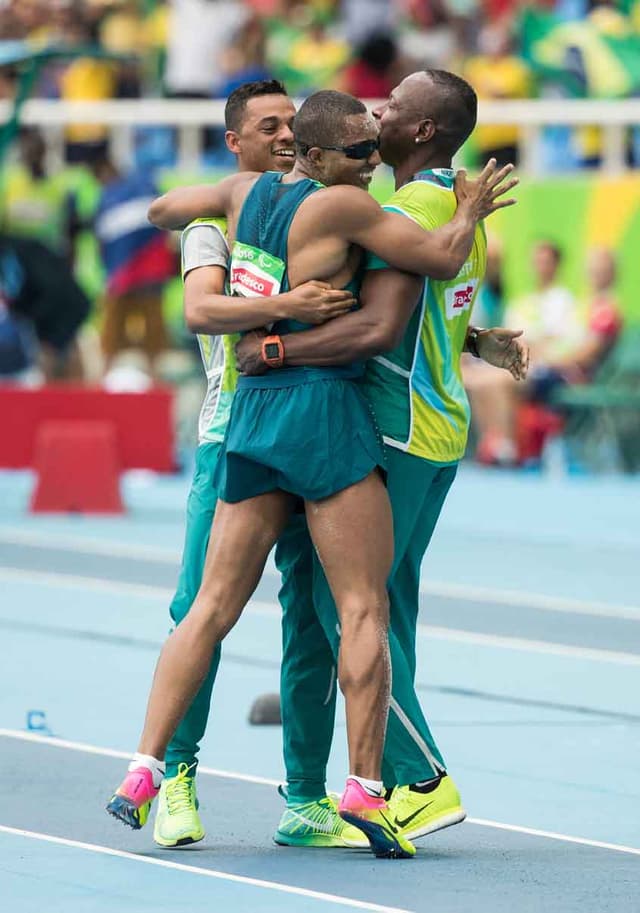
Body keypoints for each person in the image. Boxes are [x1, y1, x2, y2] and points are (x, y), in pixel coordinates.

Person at [106, 88, 516, 858]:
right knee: (357, 609)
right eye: (359, 152)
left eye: (374, 145)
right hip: (323, 408)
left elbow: (168, 209)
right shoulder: (348, 207)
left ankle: (146, 765)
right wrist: (470, 209)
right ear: (317, 157)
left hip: (250, 418)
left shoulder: (238, 196)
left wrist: (206, 234)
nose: (371, 163)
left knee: (210, 607)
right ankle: (368, 785)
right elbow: (436, 261)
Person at [234, 71, 528, 842]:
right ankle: (378, 779)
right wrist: (476, 338)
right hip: (437, 427)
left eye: (391, 107)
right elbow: (428, 310)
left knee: (345, 606)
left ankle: (419, 777)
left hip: (393, 428)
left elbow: (375, 329)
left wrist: (268, 344)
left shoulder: (410, 207)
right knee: (385, 613)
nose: (376, 111)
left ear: (423, 131)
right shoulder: (447, 205)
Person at [149, 79, 363, 851]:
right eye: (267, 126)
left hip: (308, 431)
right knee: (196, 609)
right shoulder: (215, 223)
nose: (283, 135)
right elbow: (202, 310)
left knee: (312, 619)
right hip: (229, 436)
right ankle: (175, 776)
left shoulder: (322, 211)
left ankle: (306, 799)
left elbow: (379, 308)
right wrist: (287, 308)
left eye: (290, 123)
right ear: (235, 143)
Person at [464, 240, 579, 465]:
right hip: (521, 363)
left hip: (549, 371)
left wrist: (533, 348)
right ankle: (492, 443)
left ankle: (508, 446)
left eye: (546, 261)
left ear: (556, 265)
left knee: (500, 380)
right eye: (537, 261)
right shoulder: (522, 302)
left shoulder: (563, 300)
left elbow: (561, 342)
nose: (540, 266)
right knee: (476, 380)